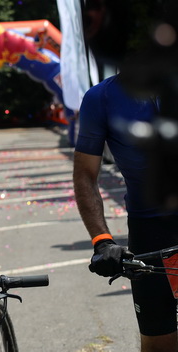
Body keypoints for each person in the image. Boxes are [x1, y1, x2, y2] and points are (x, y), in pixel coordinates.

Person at [73, 73, 178, 352]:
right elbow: (85, 175)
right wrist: (102, 241)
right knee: (159, 344)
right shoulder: (101, 98)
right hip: (151, 234)